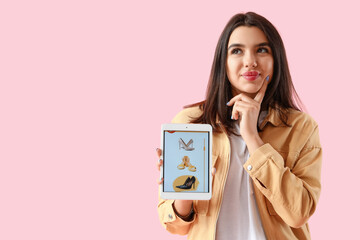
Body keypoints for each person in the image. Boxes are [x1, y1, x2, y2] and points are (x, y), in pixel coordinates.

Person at [156, 12, 322, 240]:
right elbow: (175, 226)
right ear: (222, 62)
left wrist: (253, 137)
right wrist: (184, 188)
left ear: (276, 60)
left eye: (262, 50)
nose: (250, 61)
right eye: (237, 51)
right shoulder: (190, 122)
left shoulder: (301, 127)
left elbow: (299, 213)